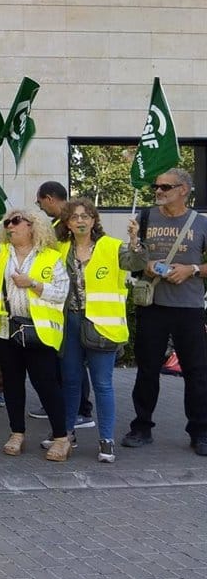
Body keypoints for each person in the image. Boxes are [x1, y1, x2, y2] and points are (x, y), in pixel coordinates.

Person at [0, 205, 70, 460]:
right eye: (7, 222)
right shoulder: (1, 252)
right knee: (12, 384)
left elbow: (61, 292)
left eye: (16, 221)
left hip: (39, 331)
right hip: (6, 330)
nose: (10, 226)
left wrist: (33, 284)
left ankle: (61, 438)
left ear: (32, 226)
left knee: (46, 384)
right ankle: (17, 433)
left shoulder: (51, 256)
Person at [121, 168, 207, 456]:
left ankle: (200, 431)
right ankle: (141, 427)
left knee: (196, 371)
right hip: (153, 306)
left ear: (183, 190)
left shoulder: (200, 223)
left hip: (189, 308)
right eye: (156, 187)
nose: (158, 191)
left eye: (165, 187)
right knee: (147, 370)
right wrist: (144, 264)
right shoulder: (145, 217)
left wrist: (192, 269)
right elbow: (133, 260)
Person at [55, 198, 129, 462]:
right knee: (70, 381)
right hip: (70, 323)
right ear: (67, 223)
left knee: (102, 384)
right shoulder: (60, 249)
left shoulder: (111, 246)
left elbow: (136, 261)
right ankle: (65, 435)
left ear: (94, 220)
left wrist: (136, 242)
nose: (80, 221)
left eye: (85, 216)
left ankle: (106, 440)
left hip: (102, 323)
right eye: (74, 217)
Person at [33, 180, 93, 427]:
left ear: (49, 198)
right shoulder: (57, 225)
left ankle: (81, 410)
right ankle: (64, 406)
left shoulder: (63, 227)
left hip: (75, 304)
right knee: (65, 362)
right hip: (59, 302)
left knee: (74, 363)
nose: (40, 207)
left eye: (40, 202)